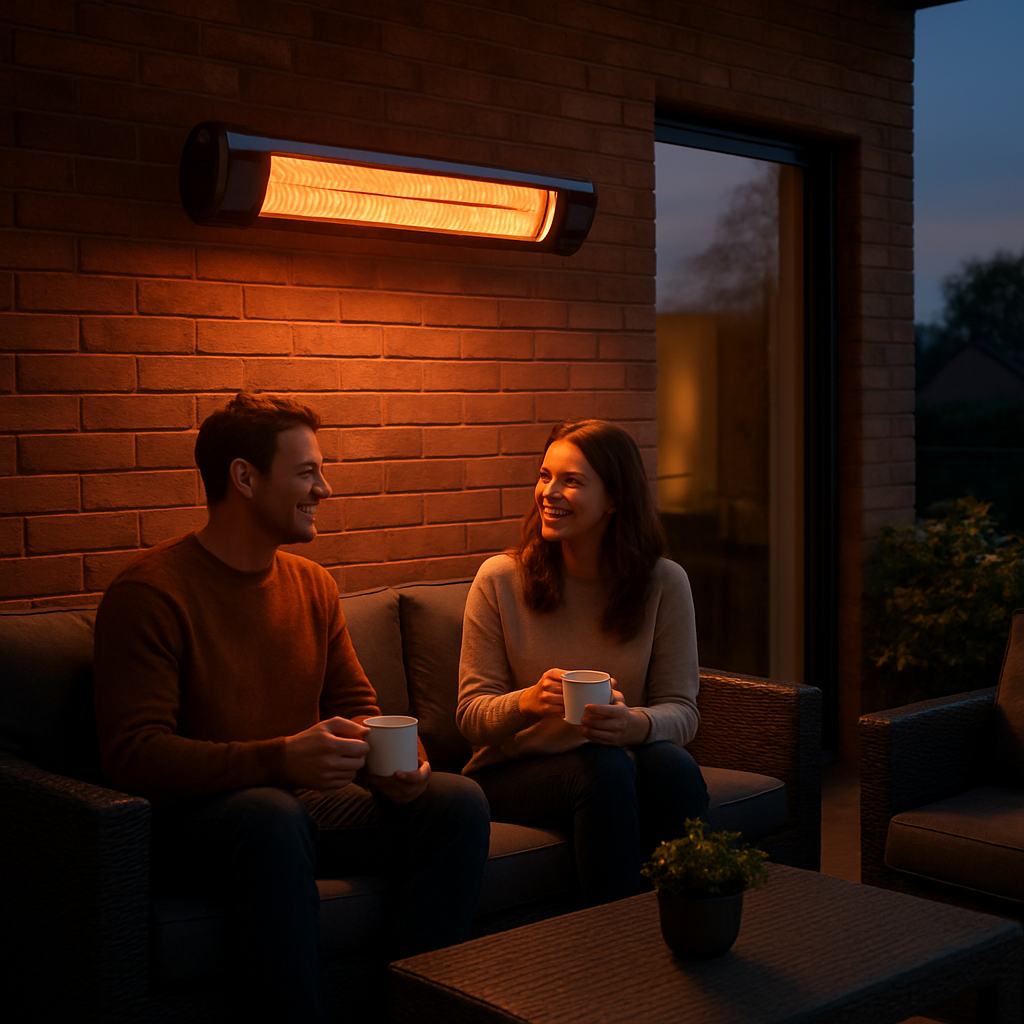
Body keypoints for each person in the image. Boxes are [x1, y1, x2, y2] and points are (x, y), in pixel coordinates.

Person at [93, 392, 490, 1024]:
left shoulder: (312, 585)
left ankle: (421, 1011)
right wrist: (281, 758)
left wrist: (400, 759)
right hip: (190, 825)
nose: (324, 489)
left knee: (456, 802)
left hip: (292, 813)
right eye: (307, 472)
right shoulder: (150, 593)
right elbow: (133, 756)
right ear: (245, 477)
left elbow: (358, 706)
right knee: (271, 814)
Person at [456, 418, 708, 906]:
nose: (549, 492)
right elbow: (470, 718)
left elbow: (683, 710)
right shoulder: (500, 579)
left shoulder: (664, 583)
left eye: (571, 481)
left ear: (615, 499)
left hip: (617, 756)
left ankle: (693, 921)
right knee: (605, 770)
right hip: (512, 773)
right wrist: (529, 703)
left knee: (672, 766)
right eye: (545, 475)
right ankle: (611, 944)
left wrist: (633, 725)